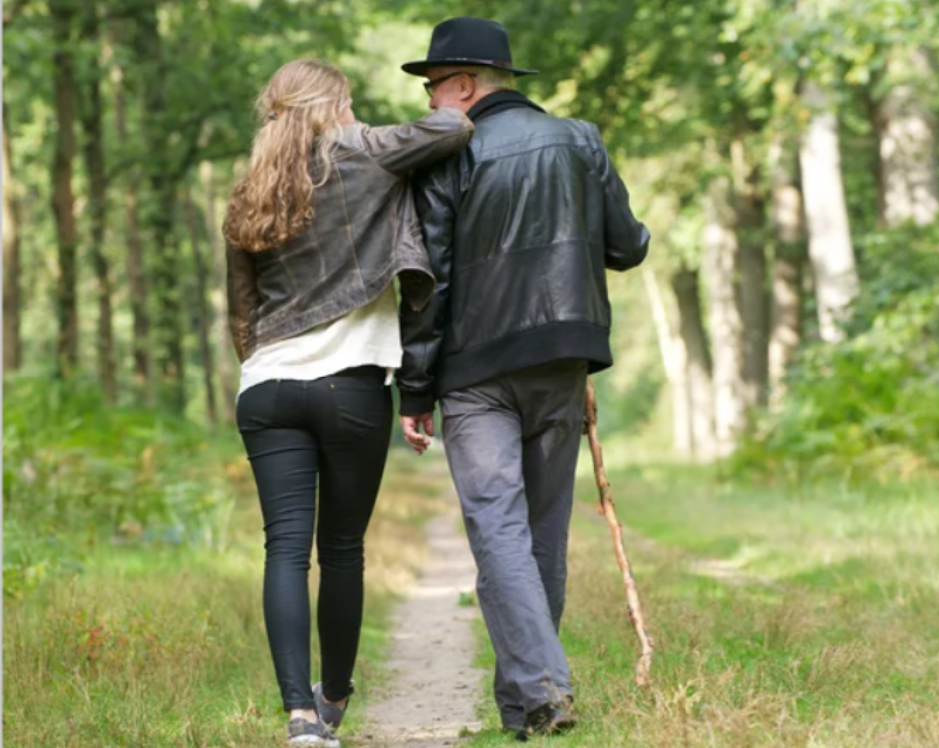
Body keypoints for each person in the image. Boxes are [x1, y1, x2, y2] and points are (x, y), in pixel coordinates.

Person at [396, 18, 650, 740]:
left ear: (466, 86)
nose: (428, 103)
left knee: (498, 529)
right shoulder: (581, 139)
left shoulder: (450, 154)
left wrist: (414, 389)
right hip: (565, 356)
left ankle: (541, 686)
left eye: (432, 88)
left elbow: (427, 283)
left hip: (477, 369)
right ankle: (529, 703)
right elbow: (627, 247)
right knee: (541, 530)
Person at [223, 58, 473, 747]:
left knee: (283, 549)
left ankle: (297, 718)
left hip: (268, 388)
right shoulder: (364, 152)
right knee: (340, 549)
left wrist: (269, 361)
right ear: (333, 105)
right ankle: (332, 700)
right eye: (348, 102)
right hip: (351, 385)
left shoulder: (248, 192)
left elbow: (241, 315)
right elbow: (451, 126)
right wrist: (358, 126)